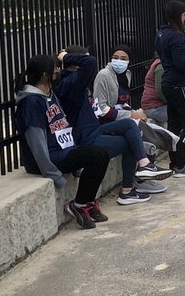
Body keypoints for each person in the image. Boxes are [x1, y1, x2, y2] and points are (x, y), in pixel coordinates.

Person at [56, 48, 172, 205]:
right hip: (85, 137)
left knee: (130, 126)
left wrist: (131, 113)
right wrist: (65, 56)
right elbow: (90, 63)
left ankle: (144, 166)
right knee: (131, 140)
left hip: (93, 129)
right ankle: (128, 189)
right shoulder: (72, 83)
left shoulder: (77, 80)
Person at [13, 54, 111, 230]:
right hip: (49, 159)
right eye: (55, 69)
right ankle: (79, 205)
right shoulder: (31, 102)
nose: (58, 71)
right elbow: (37, 142)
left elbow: (62, 127)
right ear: (46, 74)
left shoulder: (50, 95)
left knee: (101, 153)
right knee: (97, 155)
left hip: (62, 151)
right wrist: (53, 174)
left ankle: (87, 202)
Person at [93, 47, 170, 195]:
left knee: (141, 131)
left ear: (129, 61)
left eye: (123, 59)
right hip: (103, 123)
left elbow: (122, 102)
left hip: (119, 119)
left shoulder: (126, 74)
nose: (119, 61)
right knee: (133, 129)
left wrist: (135, 112)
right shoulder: (103, 75)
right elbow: (100, 109)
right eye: (116, 57)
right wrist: (130, 115)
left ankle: (136, 182)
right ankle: (144, 169)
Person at [156, 1, 185, 177]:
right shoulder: (176, 37)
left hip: (169, 83)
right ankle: (180, 163)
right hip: (181, 84)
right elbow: (182, 63)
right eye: (184, 15)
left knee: (175, 125)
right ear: (179, 15)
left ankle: (175, 162)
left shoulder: (161, 34)